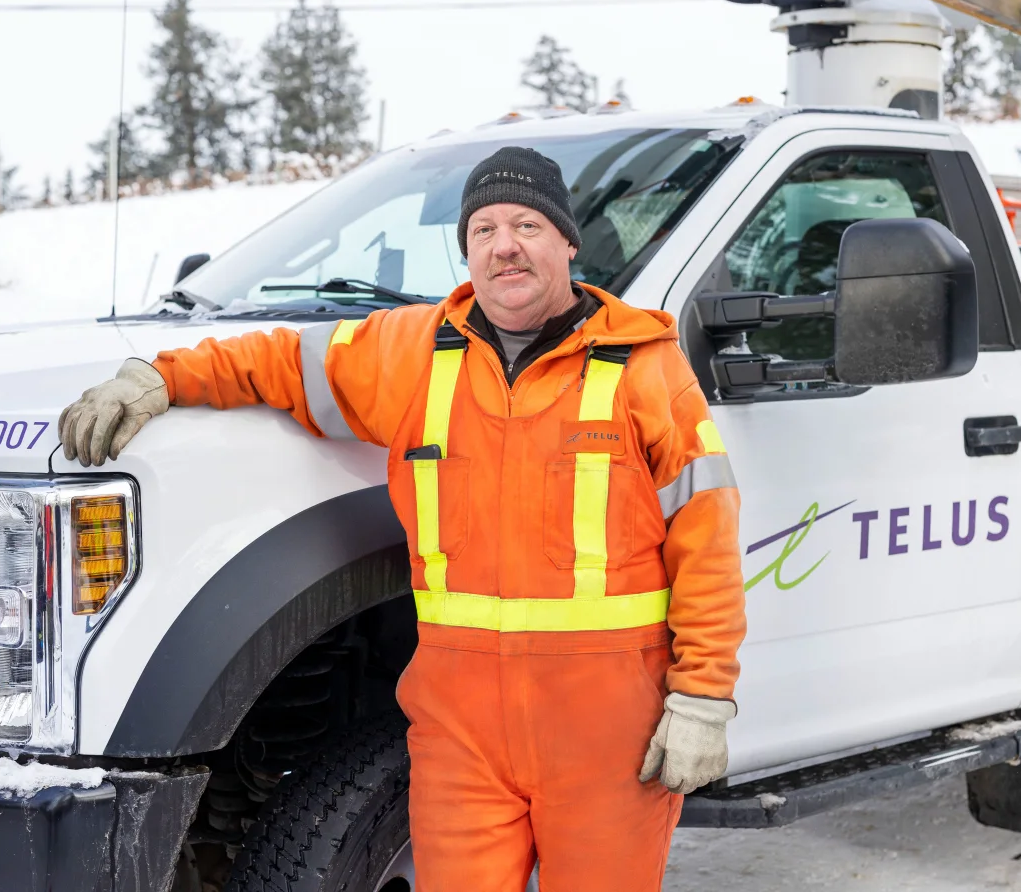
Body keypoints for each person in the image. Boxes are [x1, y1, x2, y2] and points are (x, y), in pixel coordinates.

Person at [58, 146, 746, 892]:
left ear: (568, 243)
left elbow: (706, 542)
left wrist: (703, 698)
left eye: (526, 225)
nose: (504, 245)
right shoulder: (416, 352)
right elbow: (281, 361)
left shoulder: (644, 369)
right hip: (462, 743)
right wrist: (162, 376)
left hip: (609, 740)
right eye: (483, 229)